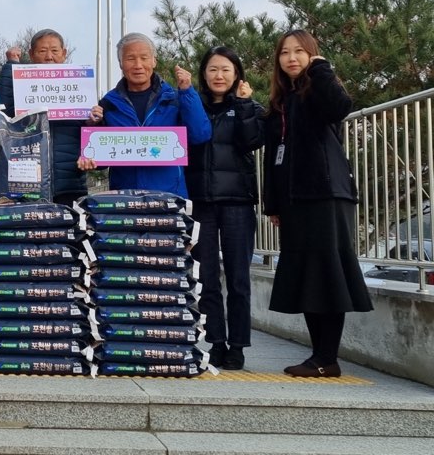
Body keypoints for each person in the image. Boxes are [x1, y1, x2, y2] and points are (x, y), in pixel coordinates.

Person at [263, 29, 372, 377]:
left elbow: (340, 107)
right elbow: (273, 157)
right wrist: (273, 204)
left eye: (299, 51)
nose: (291, 58)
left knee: (328, 273)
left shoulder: (319, 89)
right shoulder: (282, 102)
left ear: (312, 55)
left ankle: (327, 357)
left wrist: (322, 68)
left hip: (326, 195)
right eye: (284, 52)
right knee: (307, 275)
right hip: (295, 200)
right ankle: (320, 357)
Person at [185, 46, 264, 370]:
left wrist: (243, 105)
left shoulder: (249, 107)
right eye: (213, 69)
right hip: (201, 203)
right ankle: (216, 342)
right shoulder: (192, 107)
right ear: (204, 74)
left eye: (226, 69)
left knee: (238, 278)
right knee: (206, 278)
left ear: (237, 74)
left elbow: (252, 141)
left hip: (237, 203)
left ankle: (238, 345)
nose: (219, 75)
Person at [80, 32, 211, 197]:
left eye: (144, 58)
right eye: (130, 58)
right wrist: (94, 126)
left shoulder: (175, 98)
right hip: (124, 198)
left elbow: (200, 135)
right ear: (120, 63)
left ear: (154, 61)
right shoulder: (108, 104)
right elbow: (99, 162)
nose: (138, 65)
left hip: (170, 197)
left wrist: (187, 91)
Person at [0, 29, 92, 206]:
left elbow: (90, 134)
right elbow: (4, 111)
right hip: (27, 182)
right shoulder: (22, 85)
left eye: (54, 50)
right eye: (42, 51)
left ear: (64, 53)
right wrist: (11, 66)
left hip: (70, 183)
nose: (49, 57)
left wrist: (95, 121)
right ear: (31, 54)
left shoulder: (79, 87)